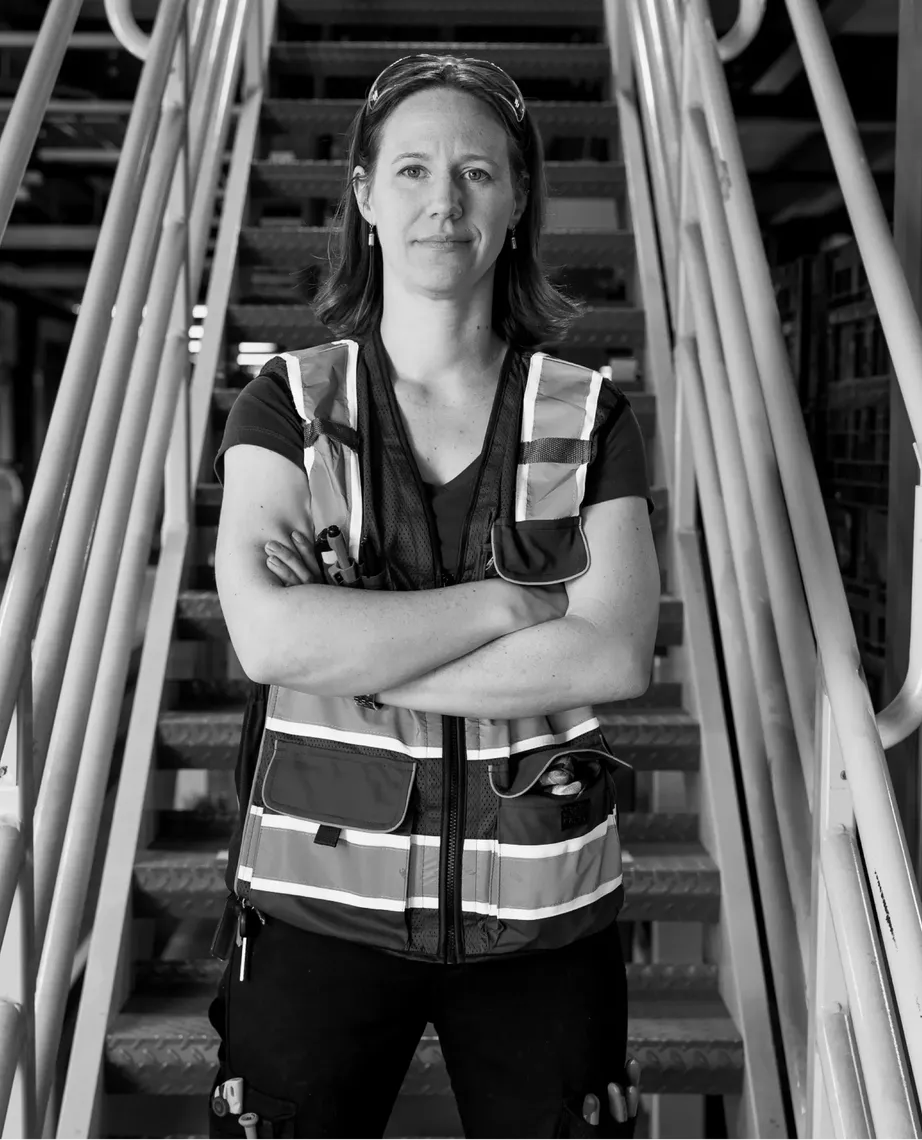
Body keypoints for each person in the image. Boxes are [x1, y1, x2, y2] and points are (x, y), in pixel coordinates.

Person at [209, 52, 659, 1140]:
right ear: (363, 198)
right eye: (410, 171)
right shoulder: (289, 404)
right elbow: (272, 640)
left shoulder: (586, 414)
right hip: (318, 906)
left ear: (515, 204)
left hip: (546, 919)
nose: (442, 201)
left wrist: (357, 640)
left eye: (475, 173)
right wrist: (510, 607)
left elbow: (609, 659)